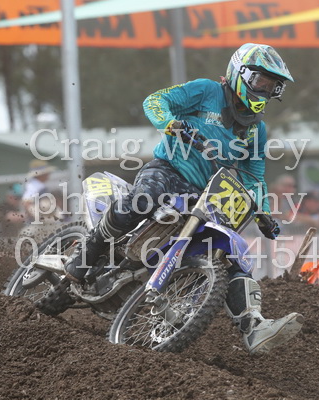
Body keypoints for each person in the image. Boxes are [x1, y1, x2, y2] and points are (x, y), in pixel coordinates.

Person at [63, 43, 303, 355]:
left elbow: (254, 177)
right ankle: (91, 246)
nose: (264, 90)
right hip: (168, 170)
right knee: (145, 198)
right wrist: (171, 123)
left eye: (272, 86)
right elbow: (155, 100)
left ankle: (253, 326)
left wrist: (264, 213)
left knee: (230, 252)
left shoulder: (256, 130)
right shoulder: (206, 91)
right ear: (240, 73)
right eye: (260, 81)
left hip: (205, 194)